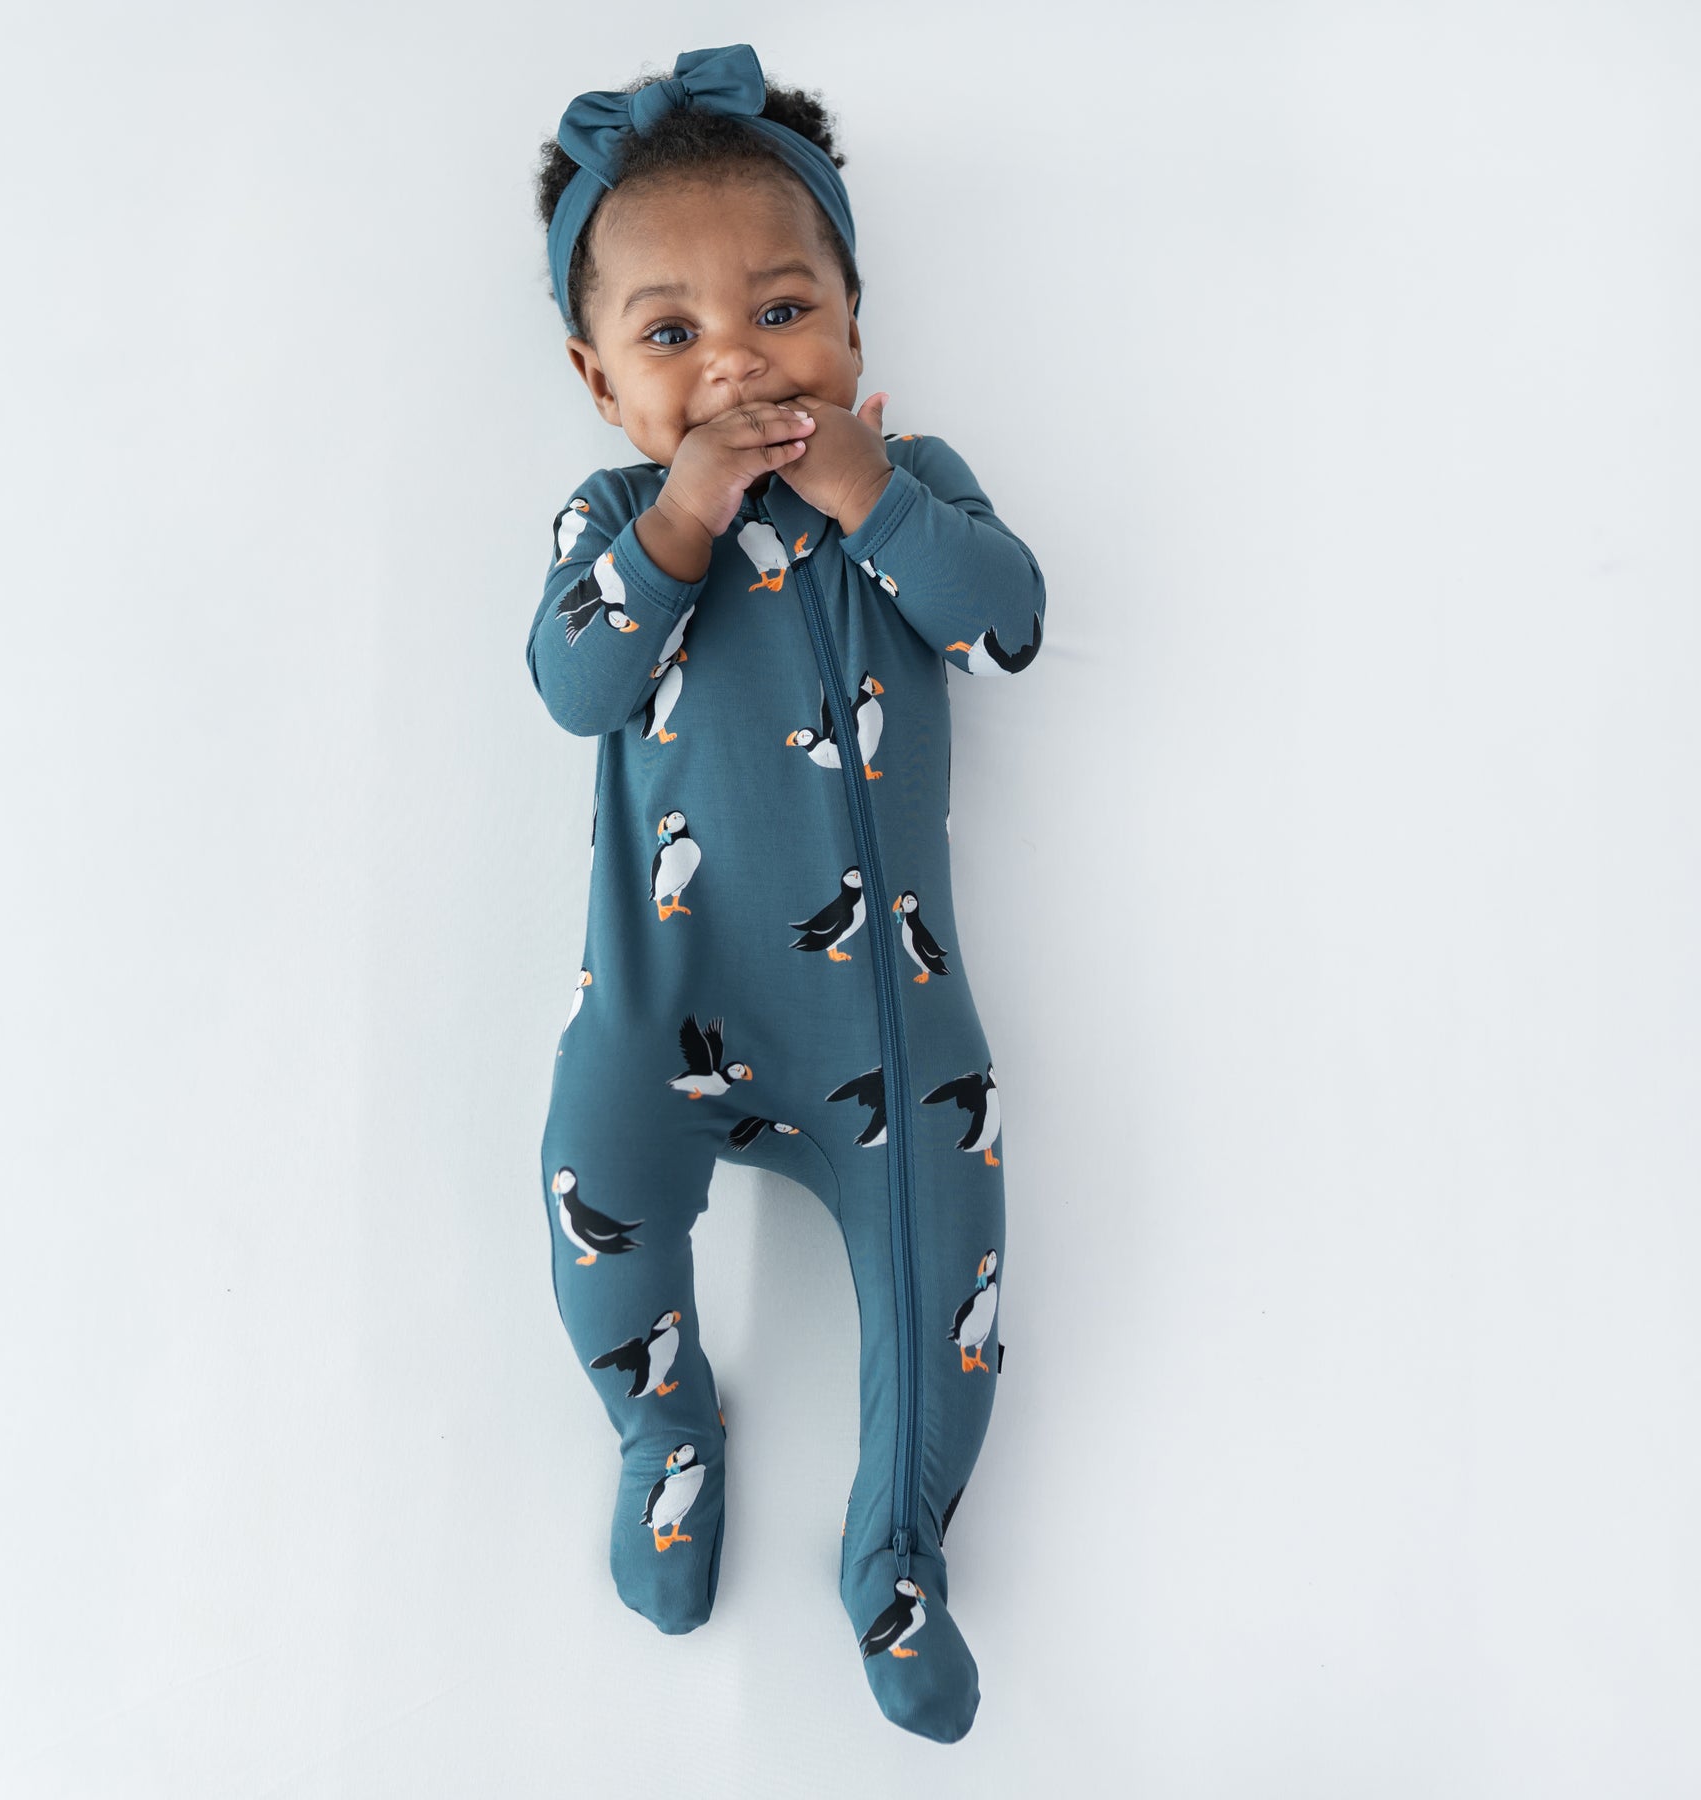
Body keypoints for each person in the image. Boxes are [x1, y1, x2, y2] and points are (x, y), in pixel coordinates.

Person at [527, 43, 1045, 1744]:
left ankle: (894, 1550)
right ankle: (665, 1430)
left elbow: (1009, 619)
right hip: (659, 1020)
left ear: (851, 332)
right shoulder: (612, 520)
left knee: (945, 1272)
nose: (737, 361)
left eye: (780, 311)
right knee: (586, 1185)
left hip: (883, 1033)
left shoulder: (912, 491)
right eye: (673, 336)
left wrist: (868, 494)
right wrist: (683, 513)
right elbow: (575, 684)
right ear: (606, 383)